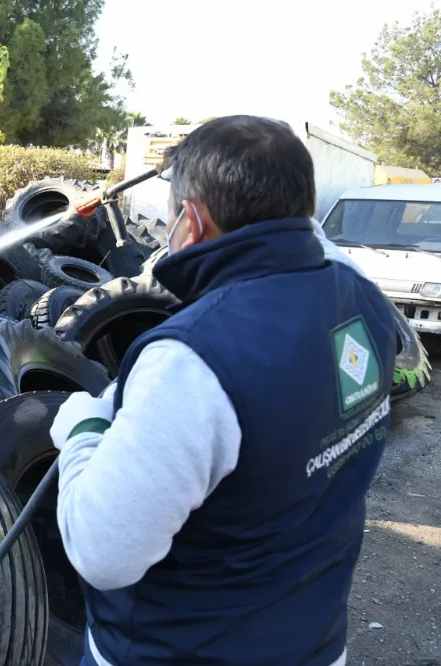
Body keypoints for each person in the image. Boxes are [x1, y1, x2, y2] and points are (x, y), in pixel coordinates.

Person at [50, 115, 396, 666]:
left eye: (170, 216)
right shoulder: (362, 299)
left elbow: (103, 554)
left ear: (191, 219)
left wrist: (84, 430)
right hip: (316, 644)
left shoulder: (192, 361)